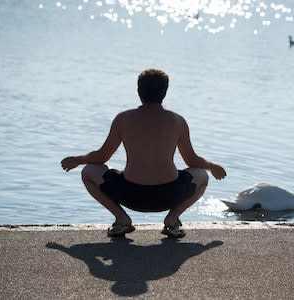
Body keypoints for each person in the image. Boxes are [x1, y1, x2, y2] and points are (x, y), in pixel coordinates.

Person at [61, 68, 226, 238]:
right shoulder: (177, 121)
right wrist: (212, 167)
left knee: (88, 171)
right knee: (202, 175)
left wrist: (77, 160)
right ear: (165, 91)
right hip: (169, 195)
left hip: (130, 194)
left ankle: (122, 218)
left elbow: (101, 157)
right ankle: (172, 218)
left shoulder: (123, 119)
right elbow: (192, 161)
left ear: (138, 91)